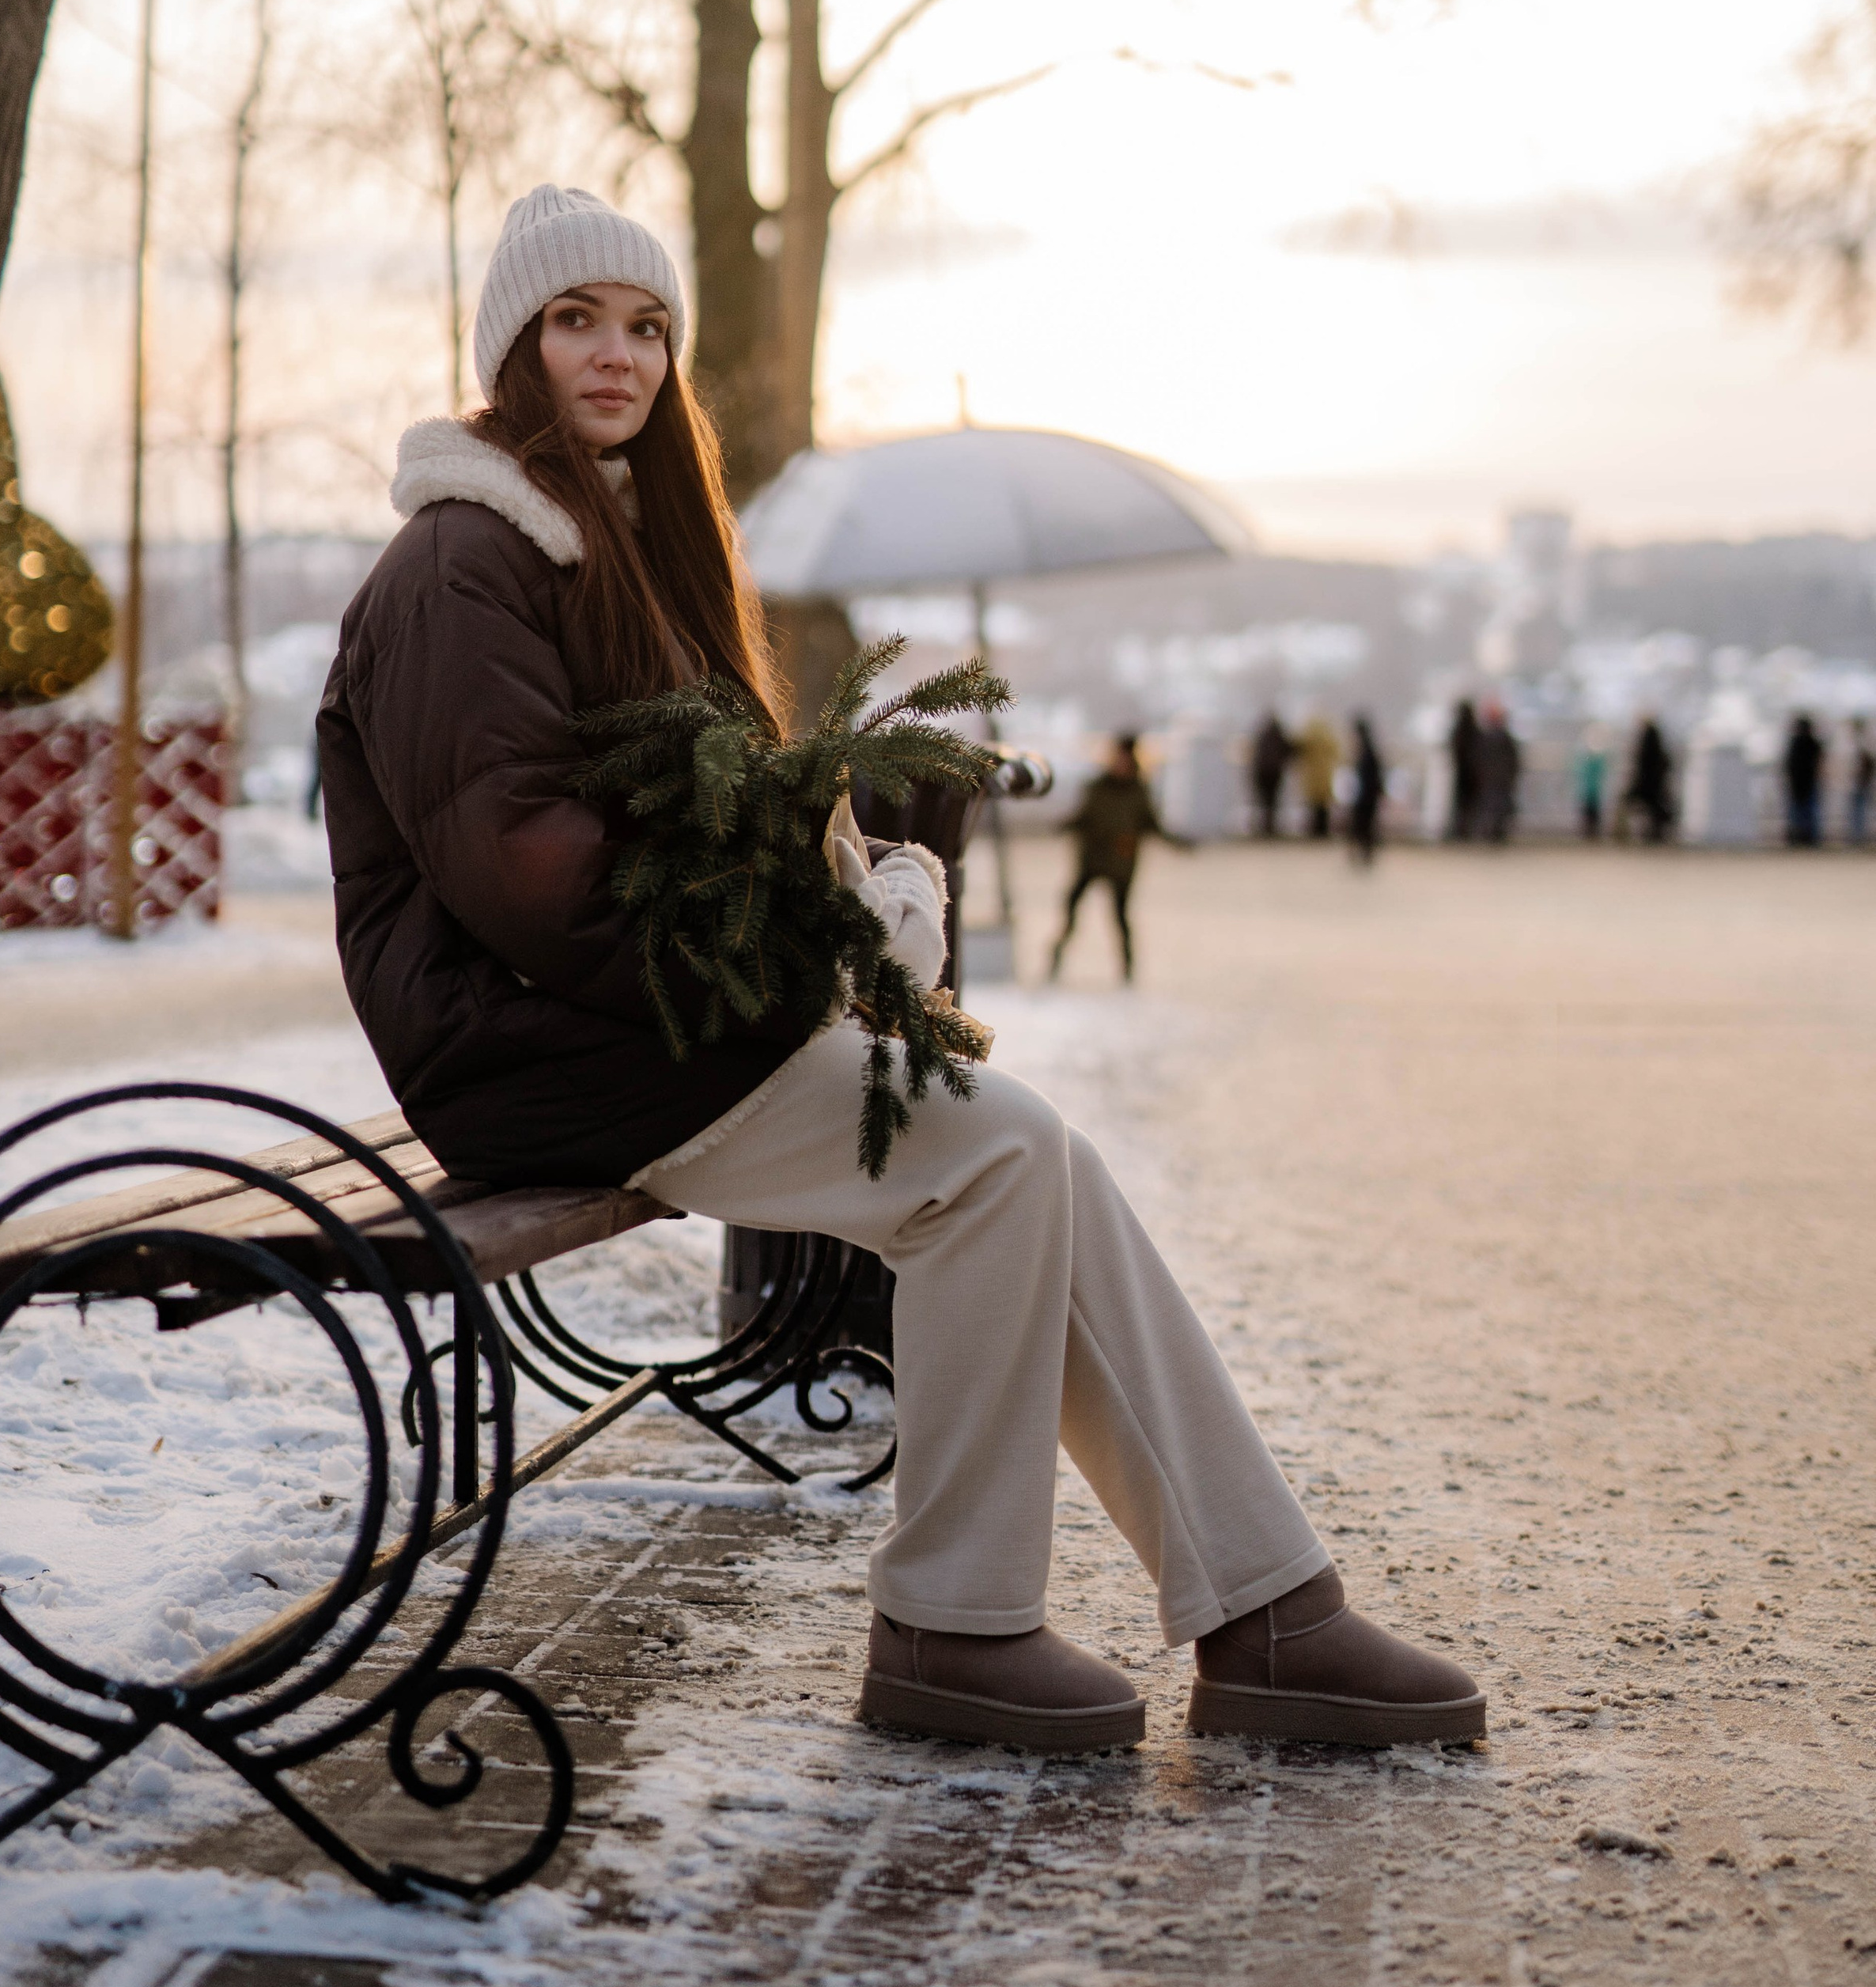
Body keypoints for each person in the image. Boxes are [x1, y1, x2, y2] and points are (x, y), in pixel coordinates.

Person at [317, 184, 1484, 1759]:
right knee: (993, 1157)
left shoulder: (609, 544)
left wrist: (846, 895)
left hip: (630, 1024)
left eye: (645, 325)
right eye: (574, 321)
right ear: (511, 345)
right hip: (544, 1045)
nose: (616, 355)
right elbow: (525, 866)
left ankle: (1262, 1608)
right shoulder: (469, 558)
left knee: (1030, 1149)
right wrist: (801, 949)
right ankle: (953, 1625)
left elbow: (685, 811)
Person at [1049, 732, 1165, 985]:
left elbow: (1152, 825)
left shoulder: (1138, 792)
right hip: (1091, 861)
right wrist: (1063, 826)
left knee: (1120, 919)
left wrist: (1180, 843)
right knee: (1070, 912)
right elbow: (1082, 817)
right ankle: (1055, 961)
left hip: (1121, 866)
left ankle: (1127, 970)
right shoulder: (1096, 787)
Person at [1622, 717, 1675, 844]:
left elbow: (1641, 764)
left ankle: (1646, 834)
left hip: (1648, 785)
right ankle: (1652, 834)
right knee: (1653, 810)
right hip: (1654, 786)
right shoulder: (1658, 747)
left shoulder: (1647, 746)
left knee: (1645, 808)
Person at [1475, 700, 1520, 846]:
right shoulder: (1502, 737)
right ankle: (1493, 834)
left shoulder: (1489, 737)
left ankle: (1494, 834)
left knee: (1495, 808)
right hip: (1496, 780)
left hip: (1495, 780)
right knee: (1495, 808)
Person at [1346, 716, 1385, 866]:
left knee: (1362, 827)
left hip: (1366, 797)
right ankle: (1363, 857)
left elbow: (1370, 777)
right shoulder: (1368, 749)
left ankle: (1363, 857)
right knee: (1364, 828)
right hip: (1367, 796)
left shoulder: (1366, 751)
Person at [1295, 712, 1341, 841]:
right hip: (1325, 774)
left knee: (1313, 805)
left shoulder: (1308, 736)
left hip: (1311, 776)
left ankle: (1315, 832)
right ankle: (1323, 831)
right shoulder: (1327, 736)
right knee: (1323, 805)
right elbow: (1336, 752)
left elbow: (1298, 751)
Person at [1782, 712, 1824, 848]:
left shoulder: (1797, 744)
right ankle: (1807, 839)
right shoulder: (1812, 743)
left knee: (1800, 813)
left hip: (1800, 783)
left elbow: (1789, 764)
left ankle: (1799, 838)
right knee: (1806, 813)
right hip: (1807, 783)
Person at [1248, 711, 1292, 838]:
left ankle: (1264, 826)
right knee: (1272, 801)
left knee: (1263, 801)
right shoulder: (1280, 735)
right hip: (1274, 772)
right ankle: (1270, 827)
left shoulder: (1262, 735)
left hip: (1261, 772)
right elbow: (1288, 750)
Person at [1447, 698, 1482, 841]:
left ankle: (1461, 831)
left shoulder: (1459, 731)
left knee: (1462, 804)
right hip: (1473, 775)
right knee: (1471, 804)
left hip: (1462, 774)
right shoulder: (1474, 730)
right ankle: (1467, 831)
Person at [1572, 729, 1606, 842]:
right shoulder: (1597, 758)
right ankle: (1591, 831)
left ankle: (1591, 831)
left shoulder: (1591, 758)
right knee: (1590, 811)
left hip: (1592, 789)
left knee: (1591, 811)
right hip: (1591, 789)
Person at [1850, 720, 1874, 849]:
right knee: (1859, 811)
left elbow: (1868, 763)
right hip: (1861, 783)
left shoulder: (1862, 744)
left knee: (1860, 811)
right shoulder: (1863, 744)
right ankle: (1857, 836)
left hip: (1861, 784)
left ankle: (1858, 836)